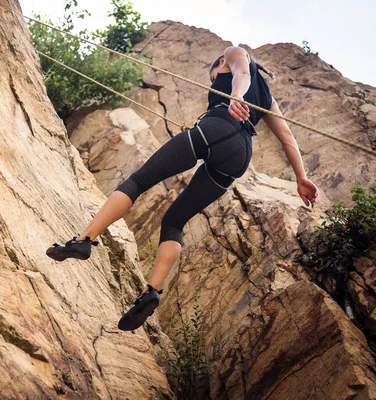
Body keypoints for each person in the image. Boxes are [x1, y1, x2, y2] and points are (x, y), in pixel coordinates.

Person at [46, 46, 319, 331]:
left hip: (219, 127)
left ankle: (83, 241)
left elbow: (241, 73)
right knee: (175, 221)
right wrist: (301, 177)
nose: (214, 83)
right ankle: (151, 291)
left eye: (214, 77)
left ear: (221, 62)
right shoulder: (267, 97)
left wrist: (235, 95)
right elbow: (286, 134)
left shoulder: (234, 53)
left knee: (138, 182)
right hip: (240, 156)